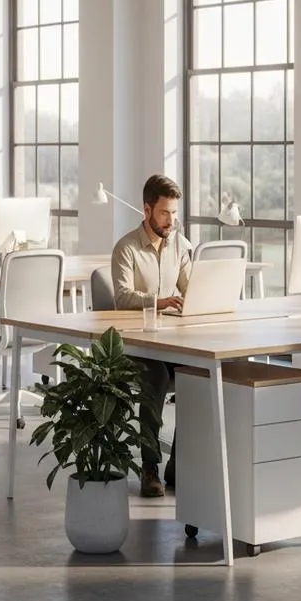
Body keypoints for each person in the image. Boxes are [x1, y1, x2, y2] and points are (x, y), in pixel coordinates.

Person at [110, 174, 192, 498]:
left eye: (174, 213)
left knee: (198, 375)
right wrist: (159, 302)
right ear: (147, 210)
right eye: (164, 213)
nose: (171, 220)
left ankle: (179, 463)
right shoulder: (126, 248)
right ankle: (150, 467)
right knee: (155, 376)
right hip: (136, 347)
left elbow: (190, 287)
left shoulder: (180, 246)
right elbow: (122, 297)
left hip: (170, 343)